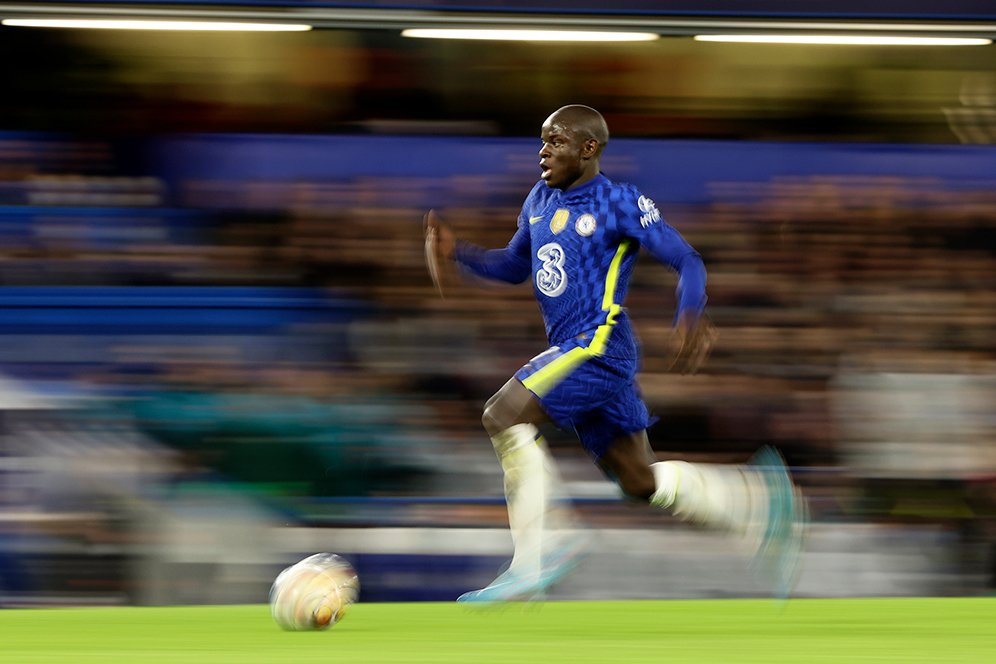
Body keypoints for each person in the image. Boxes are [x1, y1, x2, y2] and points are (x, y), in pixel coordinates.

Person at [424, 104, 804, 603]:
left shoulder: (619, 202)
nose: (543, 151)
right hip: (579, 350)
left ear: (589, 149)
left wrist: (691, 311)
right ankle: (755, 502)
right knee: (639, 480)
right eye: (542, 141)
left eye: (556, 141)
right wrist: (460, 253)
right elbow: (515, 266)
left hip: (598, 344)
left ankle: (542, 552)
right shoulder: (538, 199)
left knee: (503, 414)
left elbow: (685, 257)